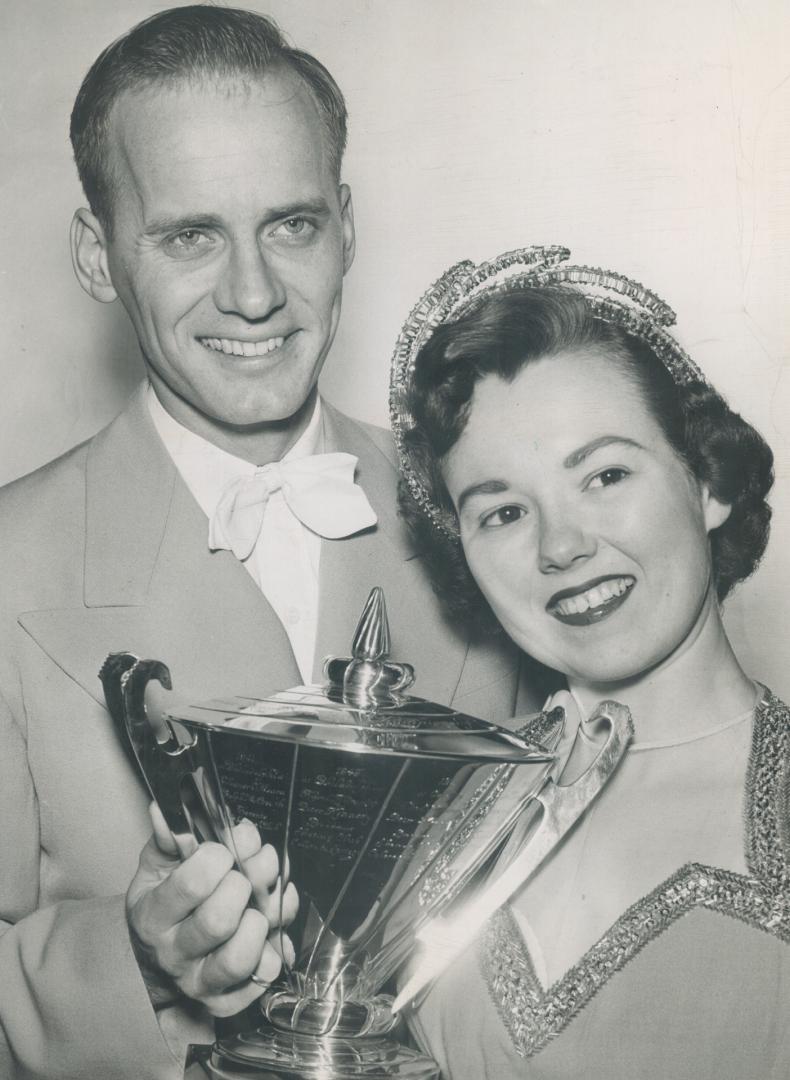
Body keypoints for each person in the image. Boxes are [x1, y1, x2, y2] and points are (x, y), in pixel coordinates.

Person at [0, 9, 526, 1079]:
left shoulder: (485, 516)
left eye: (290, 225)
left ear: (346, 225)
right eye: (191, 235)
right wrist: (139, 957)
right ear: (98, 259)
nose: (252, 293)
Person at [390, 245, 788, 1079]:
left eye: (604, 474)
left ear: (708, 482)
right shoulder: (435, 817)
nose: (562, 546)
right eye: (502, 513)